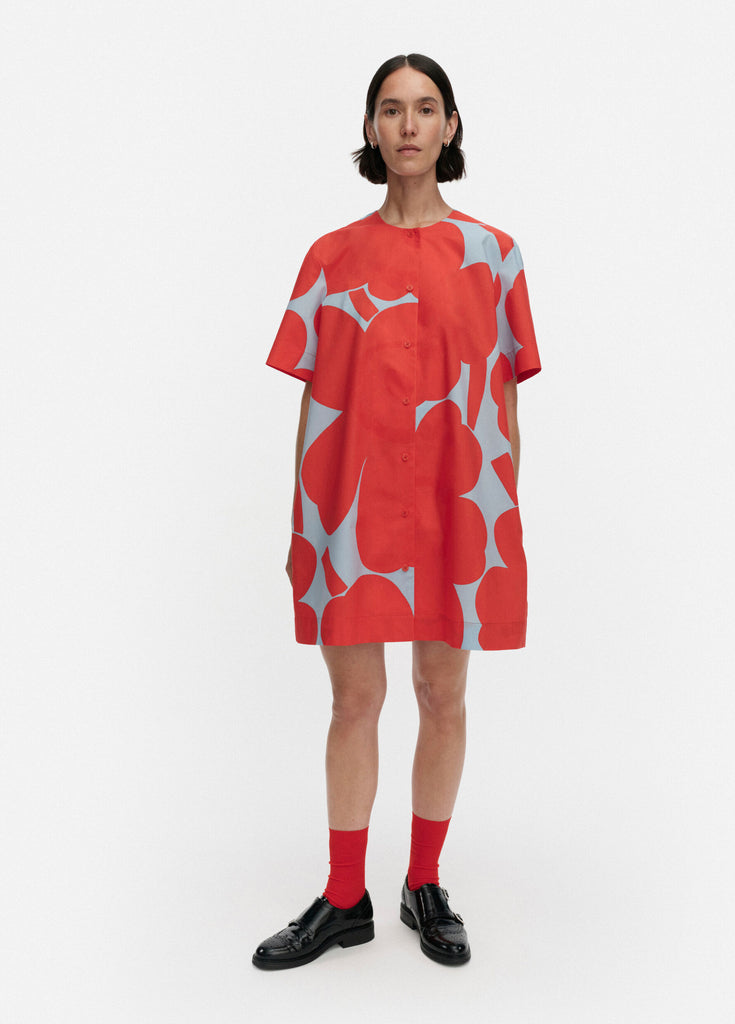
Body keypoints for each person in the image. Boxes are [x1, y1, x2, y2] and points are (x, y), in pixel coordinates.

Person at [253, 52, 540, 970]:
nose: (407, 125)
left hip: (460, 507)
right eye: (390, 109)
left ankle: (424, 883)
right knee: (355, 699)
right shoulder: (329, 257)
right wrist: (302, 525)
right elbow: (312, 406)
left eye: (424, 108)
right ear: (371, 129)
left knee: (441, 695)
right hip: (351, 514)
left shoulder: (495, 255)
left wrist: (503, 525)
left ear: (450, 126)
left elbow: (505, 404)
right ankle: (345, 897)